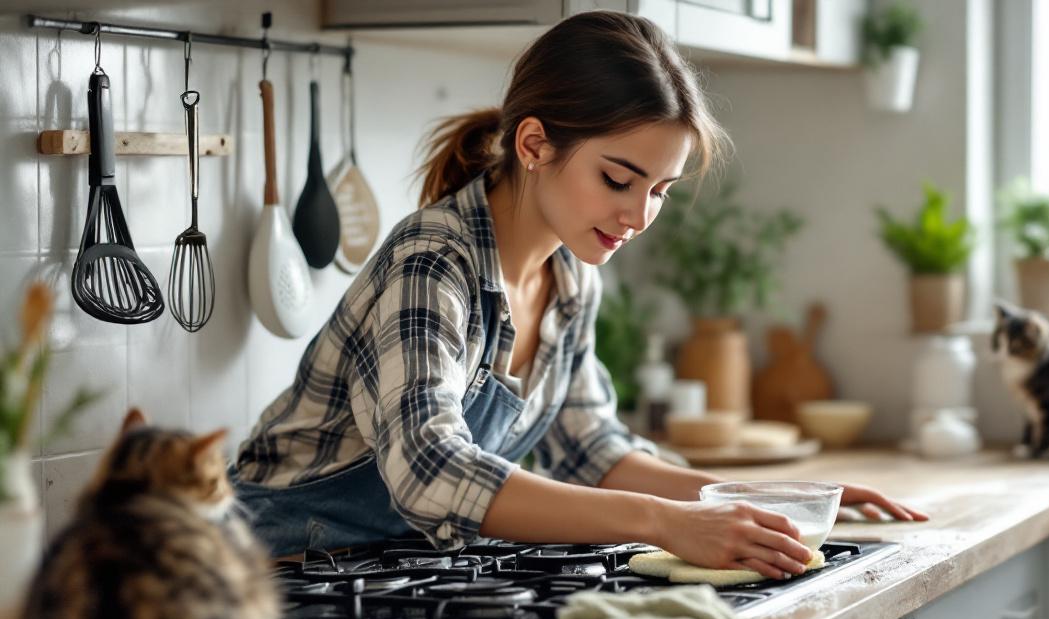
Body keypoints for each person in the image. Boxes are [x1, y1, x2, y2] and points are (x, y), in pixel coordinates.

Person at [231, 11, 925, 579]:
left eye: (659, 190)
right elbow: (430, 471)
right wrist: (664, 521)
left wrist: (761, 503)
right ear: (534, 144)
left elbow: (593, 451)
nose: (639, 215)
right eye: (618, 179)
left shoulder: (572, 278)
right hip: (271, 573)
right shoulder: (433, 264)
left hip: (383, 575)